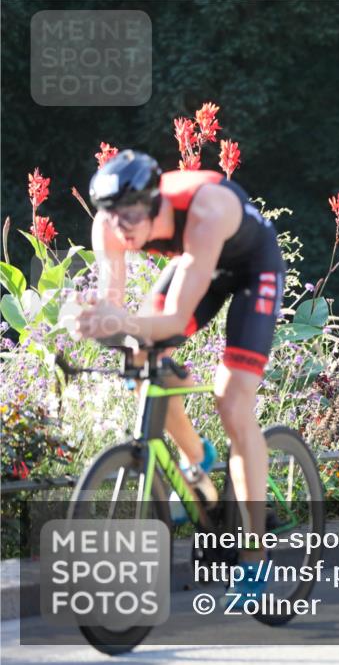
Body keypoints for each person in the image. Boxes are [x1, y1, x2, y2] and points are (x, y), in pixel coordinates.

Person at [73, 150, 284, 606]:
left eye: (131, 217)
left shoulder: (205, 210)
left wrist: (120, 322)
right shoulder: (108, 225)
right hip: (197, 266)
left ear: (155, 205)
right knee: (139, 360)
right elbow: (117, 309)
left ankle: (253, 556)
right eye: (112, 218)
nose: (121, 229)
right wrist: (100, 322)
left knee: (232, 401)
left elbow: (172, 320)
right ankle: (198, 463)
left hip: (251, 270)